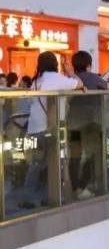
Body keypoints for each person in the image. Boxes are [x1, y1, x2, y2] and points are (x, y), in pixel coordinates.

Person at [25, 52, 84, 196]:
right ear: (55, 64)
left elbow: (30, 102)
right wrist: (70, 72)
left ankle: (28, 196)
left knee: (36, 164)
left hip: (33, 129)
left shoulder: (36, 82)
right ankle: (57, 195)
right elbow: (80, 84)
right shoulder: (57, 79)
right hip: (51, 129)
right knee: (58, 162)